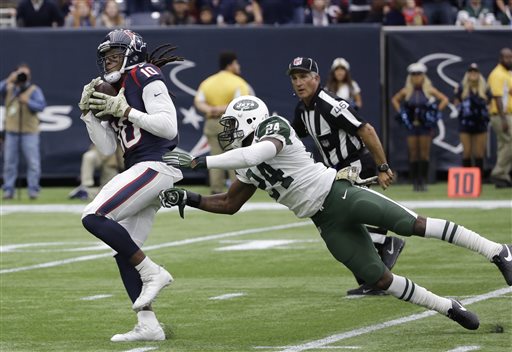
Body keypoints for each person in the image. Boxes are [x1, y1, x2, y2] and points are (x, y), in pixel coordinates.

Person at [159, 95, 512, 331]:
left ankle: (497, 250)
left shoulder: (274, 127)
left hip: (339, 194)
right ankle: (447, 306)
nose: (229, 133)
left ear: (251, 119)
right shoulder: (243, 163)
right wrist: (189, 198)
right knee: (378, 279)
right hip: (324, 220)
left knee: (412, 224)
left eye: (233, 125)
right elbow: (229, 204)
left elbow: (255, 155)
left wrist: (197, 160)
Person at [78, 29, 184, 342]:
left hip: (156, 163)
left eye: (115, 53)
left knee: (93, 216)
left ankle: (153, 271)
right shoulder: (119, 86)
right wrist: (88, 115)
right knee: (124, 251)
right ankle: (149, 325)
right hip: (140, 167)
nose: (109, 60)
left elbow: (168, 127)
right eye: (106, 56)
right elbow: (108, 148)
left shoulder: (144, 74)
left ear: (133, 52)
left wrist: (125, 110)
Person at [287, 57, 403, 296]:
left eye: (304, 77)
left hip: (355, 167)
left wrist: (382, 166)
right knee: (343, 228)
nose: (299, 83)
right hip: (333, 174)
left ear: (316, 79)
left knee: (351, 224)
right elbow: (293, 138)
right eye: (295, 78)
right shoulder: (302, 109)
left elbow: (366, 130)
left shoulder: (329, 103)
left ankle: (384, 250)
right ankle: (373, 277)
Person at [194, 51, 252, 194]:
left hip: (212, 123)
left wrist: (212, 109)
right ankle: (236, 189)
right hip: (231, 123)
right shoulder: (238, 82)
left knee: (215, 158)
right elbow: (240, 104)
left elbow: (198, 102)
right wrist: (222, 109)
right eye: (236, 63)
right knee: (235, 157)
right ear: (230, 64)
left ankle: (216, 190)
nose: (238, 66)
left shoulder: (207, 82)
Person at [391, 62, 449, 192]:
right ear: (410, 76)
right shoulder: (407, 90)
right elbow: (394, 99)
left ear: (423, 76)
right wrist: (402, 114)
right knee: (413, 153)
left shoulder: (429, 89)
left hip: (425, 125)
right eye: (414, 74)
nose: (416, 77)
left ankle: (423, 180)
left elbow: (444, 99)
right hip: (412, 125)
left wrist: (435, 113)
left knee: (424, 153)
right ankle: (415, 181)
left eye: (419, 74)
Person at [0, 63, 46, 200]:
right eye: (20, 73)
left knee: (33, 163)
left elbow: (41, 106)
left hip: (29, 132)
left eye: (25, 74)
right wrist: (9, 79)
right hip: (11, 132)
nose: (22, 76)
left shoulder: (34, 90)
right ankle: (8, 190)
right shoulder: (9, 88)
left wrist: (28, 102)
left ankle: (33, 191)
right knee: (9, 163)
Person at [452, 63, 491, 177]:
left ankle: (479, 179)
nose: (473, 74)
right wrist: (463, 109)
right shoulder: (461, 87)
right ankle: (467, 178)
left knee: (479, 153)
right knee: (467, 152)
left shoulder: (485, 88)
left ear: (479, 74)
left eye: (475, 72)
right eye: (471, 72)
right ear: (467, 74)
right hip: (466, 123)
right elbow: (456, 103)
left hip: (480, 123)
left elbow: (490, 104)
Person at [487, 48, 512, 188]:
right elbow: (497, 97)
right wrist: (503, 119)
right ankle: (499, 173)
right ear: (500, 59)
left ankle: (502, 176)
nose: (510, 60)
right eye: (507, 57)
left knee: (504, 145)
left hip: (507, 114)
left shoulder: (507, 73)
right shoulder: (498, 74)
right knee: (509, 143)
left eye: (511, 57)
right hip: (501, 115)